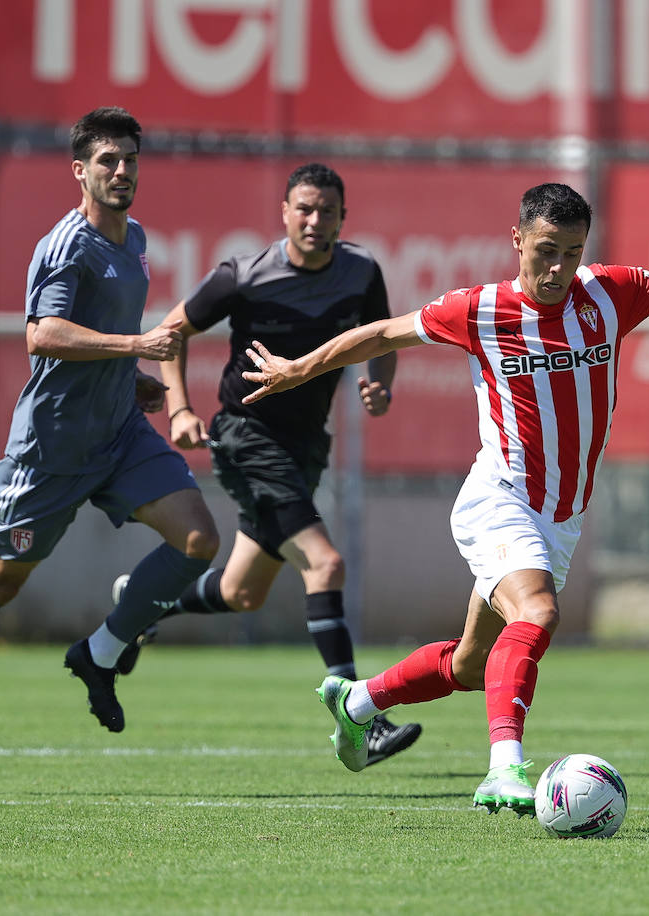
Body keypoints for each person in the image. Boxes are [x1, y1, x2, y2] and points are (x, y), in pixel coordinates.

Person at [242, 182, 649, 813]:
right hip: (500, 498)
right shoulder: (480, 309)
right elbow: (382, 335)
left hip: (562, 517)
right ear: (518, 241)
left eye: (573, 251)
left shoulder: (608, 292)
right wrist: (296, 370)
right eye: (546, 250)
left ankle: (357, 701)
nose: (558, 268)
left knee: (474, 665)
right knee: (538, 613)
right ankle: (505, 769)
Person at [0, 107, 221, 792]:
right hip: (52, 450)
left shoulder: (135, 241)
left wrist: (131, 382)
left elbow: (94, 336)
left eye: (130, 159)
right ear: (80, 170)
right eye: (107, 160)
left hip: (118, 435)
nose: (122, 171)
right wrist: (135, 348)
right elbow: (43, 335)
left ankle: (100, 654)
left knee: (198, 540)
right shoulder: (68, 246)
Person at [112, 162, 421, 766]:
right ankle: (361, 716)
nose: (314, 220)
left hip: (305, 446)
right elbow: (169, 334)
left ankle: (139, 601)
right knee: (325, 563)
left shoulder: (361, 272)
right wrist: (179, 409)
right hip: (246, 436)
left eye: (327, 210)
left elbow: (382, 338)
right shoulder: (244, 275)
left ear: (342, 219)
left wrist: (379, 385)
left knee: (241, 592)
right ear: (284, 213)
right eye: (303, 208)